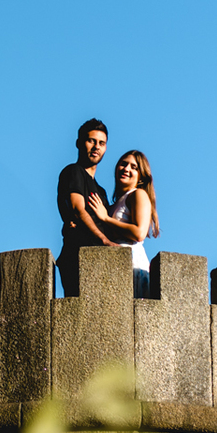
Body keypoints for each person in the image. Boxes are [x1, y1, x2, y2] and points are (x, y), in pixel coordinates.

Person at [86, 149, 160, 298]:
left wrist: (106, 218)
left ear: (141, 176)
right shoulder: (115, 203)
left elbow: (139, 233)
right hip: (114, 261)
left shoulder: (138, 194)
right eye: (124, 164)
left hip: (131, 261)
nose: (126, 169)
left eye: (134, 167)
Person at [56, 118, 112, 297]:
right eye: (91, 141)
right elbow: (78, 210)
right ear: (79, 143)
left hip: (99, 261)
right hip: (78, 257)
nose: (96, 147)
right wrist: (104, 241)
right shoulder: (73, 172)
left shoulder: (101, 191)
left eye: (101, 143)